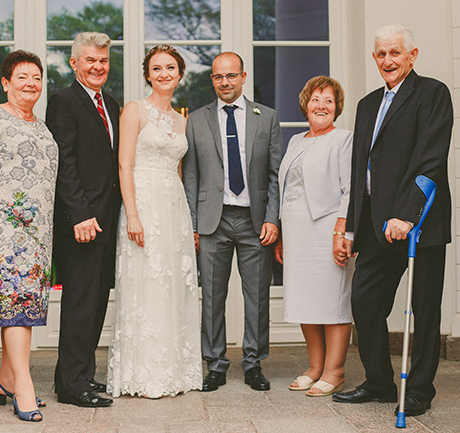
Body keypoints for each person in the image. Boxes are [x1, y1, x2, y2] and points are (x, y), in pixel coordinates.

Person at [332, 25, 453, 417]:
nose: (387, 60)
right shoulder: (367, 104)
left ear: (412, 55)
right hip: (374, 225)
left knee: (425, 310)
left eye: (395, 52)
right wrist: (351, 228)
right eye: (381, 54)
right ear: (374, 58)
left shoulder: (432, 94)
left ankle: (418, 390)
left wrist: (406, 214)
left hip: (419, 223)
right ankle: (380, 382)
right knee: (365, 301)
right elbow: (360, 170)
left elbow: (429, 158)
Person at [0, 50, 58, 422]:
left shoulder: (42, 126)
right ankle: (23, 386)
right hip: (4, 232)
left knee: (24, 310)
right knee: (16, 307)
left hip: (38, 236)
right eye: (22, 77)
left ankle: (6, 380)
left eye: (36, 77)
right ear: (5, 83)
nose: (31, 83)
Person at [183, 52, 283, 392]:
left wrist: (272, 218)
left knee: (257, 296)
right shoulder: (196, 119)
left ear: (243, 77)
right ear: (212, 79)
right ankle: (215, 364)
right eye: (218, 77)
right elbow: (191, 177)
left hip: (256, 221)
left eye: (231, 75)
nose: (225, 82)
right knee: (212, 297)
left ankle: (253, 363)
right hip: (213, 220)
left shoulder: (266, 117)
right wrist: (193, 225)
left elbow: (275, 175)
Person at [106, 45, 201, 399]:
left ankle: (173, 370)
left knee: (173, 285)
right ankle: (142, 373)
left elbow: (180, 171)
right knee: (145, 283)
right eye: (157, 68)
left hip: (173, 208)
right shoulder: (134, 110)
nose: (164, 74)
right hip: (143, 204)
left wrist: (187, 221)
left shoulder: (182, 120)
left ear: (180, 74)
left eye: (170, 68)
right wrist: (133, 214)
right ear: (148, 74)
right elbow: (124, 165)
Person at [46, 32, 121, 408]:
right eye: (90, 60)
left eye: (103, 60)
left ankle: (80, 374)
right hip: (81, 222)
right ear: (74, 63)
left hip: (108, 220)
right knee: (80, 305)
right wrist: (80, 215)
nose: (97, 67)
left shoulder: (111, 103)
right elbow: (65, 164)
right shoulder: (63, 102)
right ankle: (72, 387)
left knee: (96, 304)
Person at [274, 76, 354, 397]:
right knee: (305, 300)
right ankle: (315, 367)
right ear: (305, 105)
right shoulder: (296, 140)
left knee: (332, 300)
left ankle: (335, 371)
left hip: (327, 231)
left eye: (328, 101)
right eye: (316, 99)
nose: (321, 106)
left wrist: (342, 233)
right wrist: (282, 234)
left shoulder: (344, 139)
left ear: (337, 108)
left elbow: (350, 191)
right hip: (297, 233)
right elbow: (287, 189)